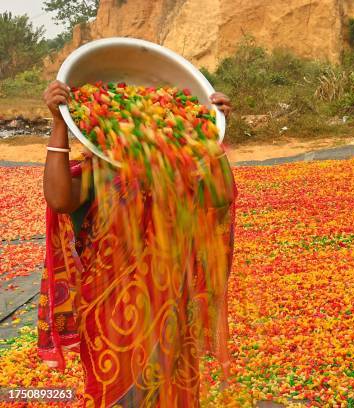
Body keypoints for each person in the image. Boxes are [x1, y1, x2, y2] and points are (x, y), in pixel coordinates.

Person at [38, 80, 235, 407]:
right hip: (111, 326)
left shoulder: (178, 178)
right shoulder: (96, 173)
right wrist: (59, 121)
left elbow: (220, 197)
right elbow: (59, 199)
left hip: (172, 318)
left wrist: (213, 133)